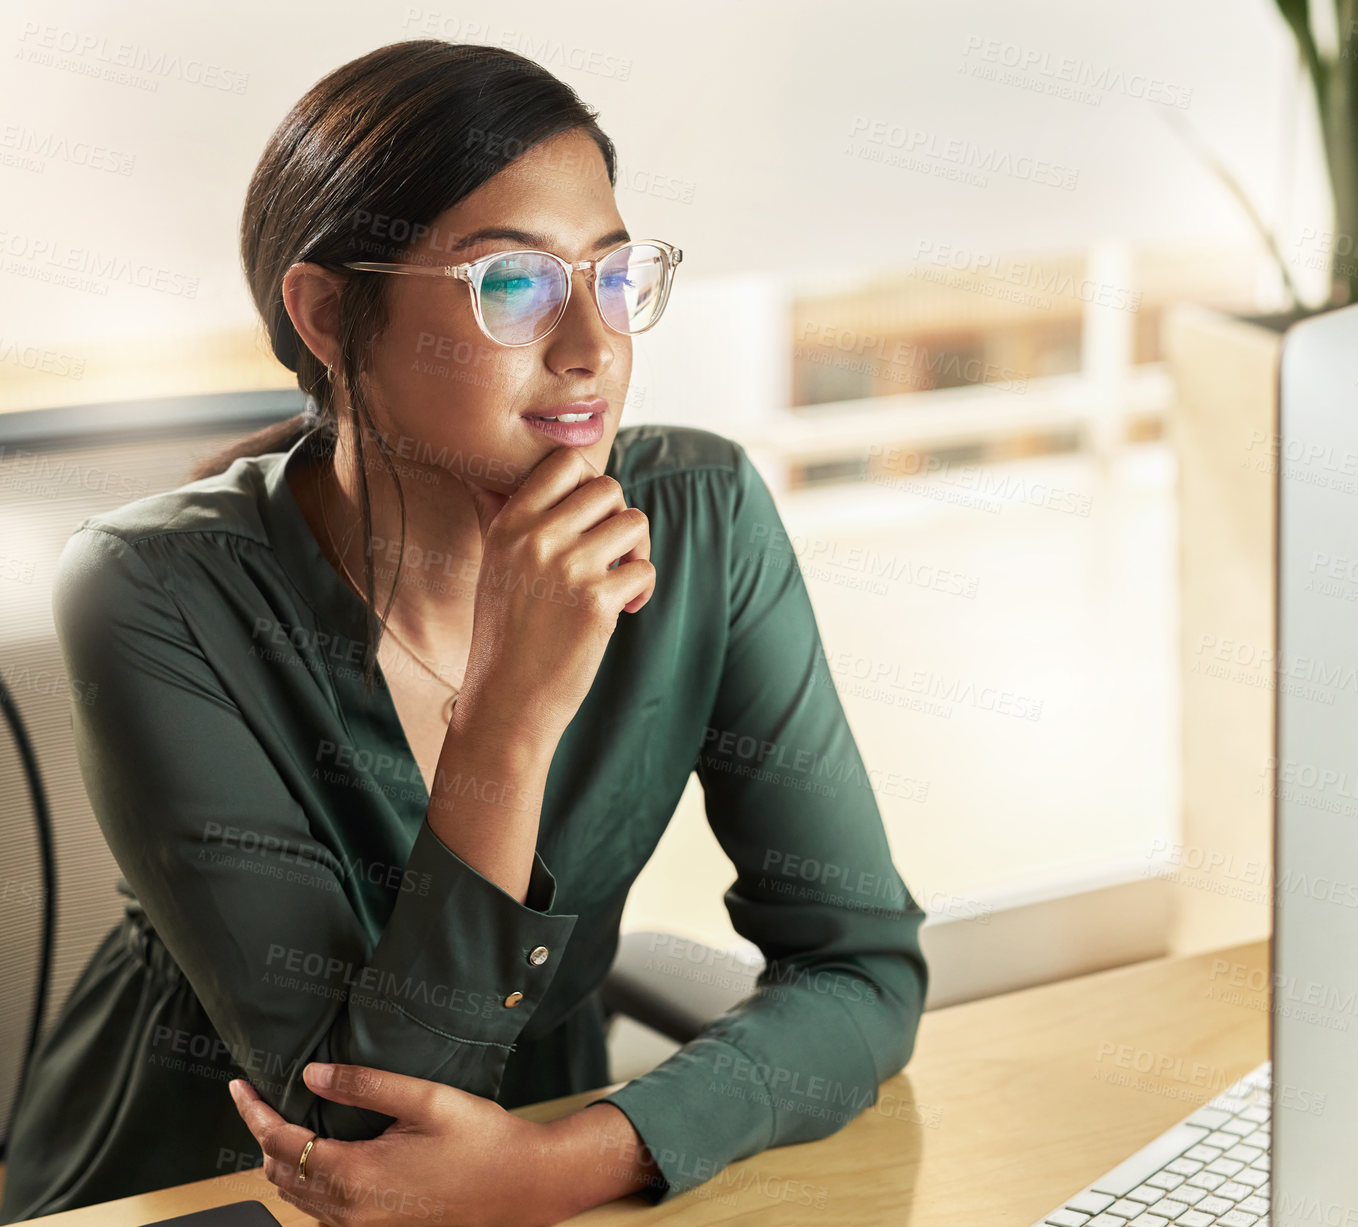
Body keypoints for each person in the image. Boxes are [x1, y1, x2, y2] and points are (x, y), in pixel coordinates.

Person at [0, 39, 927, 1226]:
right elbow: (358, 1149)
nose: (593, 348)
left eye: (609, 274)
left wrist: (566, 1164)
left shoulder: (701, 519)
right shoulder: (148, 589)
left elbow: (861, 971)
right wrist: (508, 719)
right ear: (332, 315)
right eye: (513, 287)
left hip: (532, 1168)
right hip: (207, 1192)